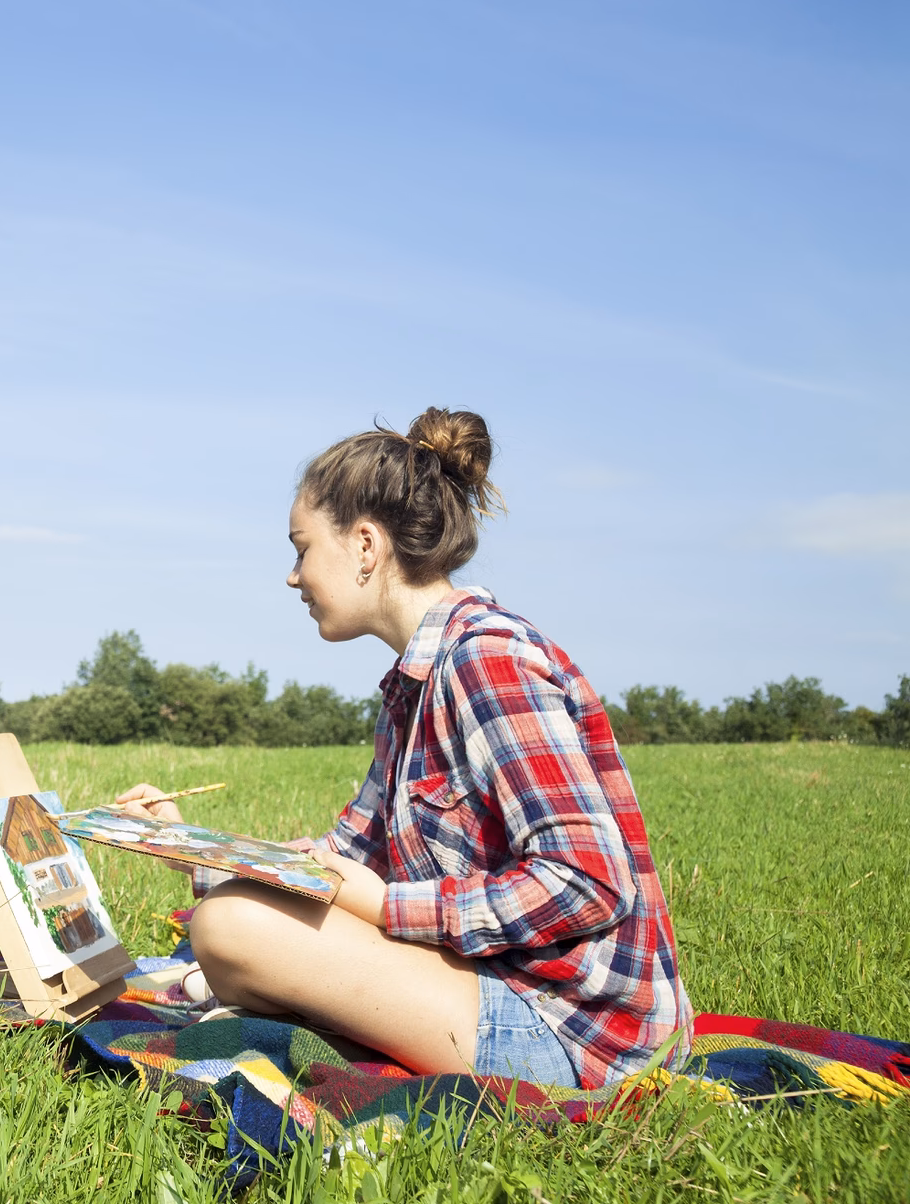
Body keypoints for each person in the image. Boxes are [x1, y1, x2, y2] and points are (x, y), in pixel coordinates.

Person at [115, 408, 690, 1090]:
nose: (293, 577)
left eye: (301, 548)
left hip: (576, 1031)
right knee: (231, 923)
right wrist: (189, 848)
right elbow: (338, 864)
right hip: (490, 981)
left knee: (229, 929)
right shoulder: (411, 688)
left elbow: (588, 883)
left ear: (365, 545)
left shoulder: (487, 661)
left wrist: (389, 907)